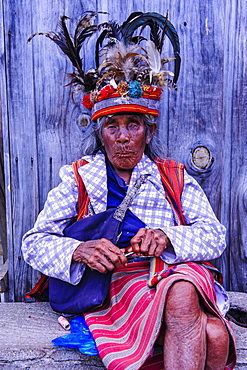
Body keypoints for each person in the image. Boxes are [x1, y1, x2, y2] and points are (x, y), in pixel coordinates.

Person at [22, 12, 236, 370]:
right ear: (100, 134)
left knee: (182, 293)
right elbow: (34, 241)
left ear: (148, 132)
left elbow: (215, 236)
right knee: (213, 337)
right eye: (112, 127)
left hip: (174, 270)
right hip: (120, 281)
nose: (122, 137)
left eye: (133, 125)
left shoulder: (174, 178)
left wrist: (167, 237)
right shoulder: (78, 179)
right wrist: (79, 249)